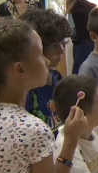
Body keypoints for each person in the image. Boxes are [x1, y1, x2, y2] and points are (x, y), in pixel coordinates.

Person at [0, 20, 85, 173]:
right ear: (20, 69)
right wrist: (71, 138)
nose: (47, 61)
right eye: (40, 54)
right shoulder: (33, 130)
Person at [19, 9, 72, 138]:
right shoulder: (26, 88)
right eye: (54, 45)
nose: (61, 50)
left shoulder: (57, 77)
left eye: (62, 43)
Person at [65, 0, 97, 74]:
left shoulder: (81, 4)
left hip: (85, 41)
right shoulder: (70, 3)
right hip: (76, 42)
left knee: (79, 69)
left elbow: (95, 10)